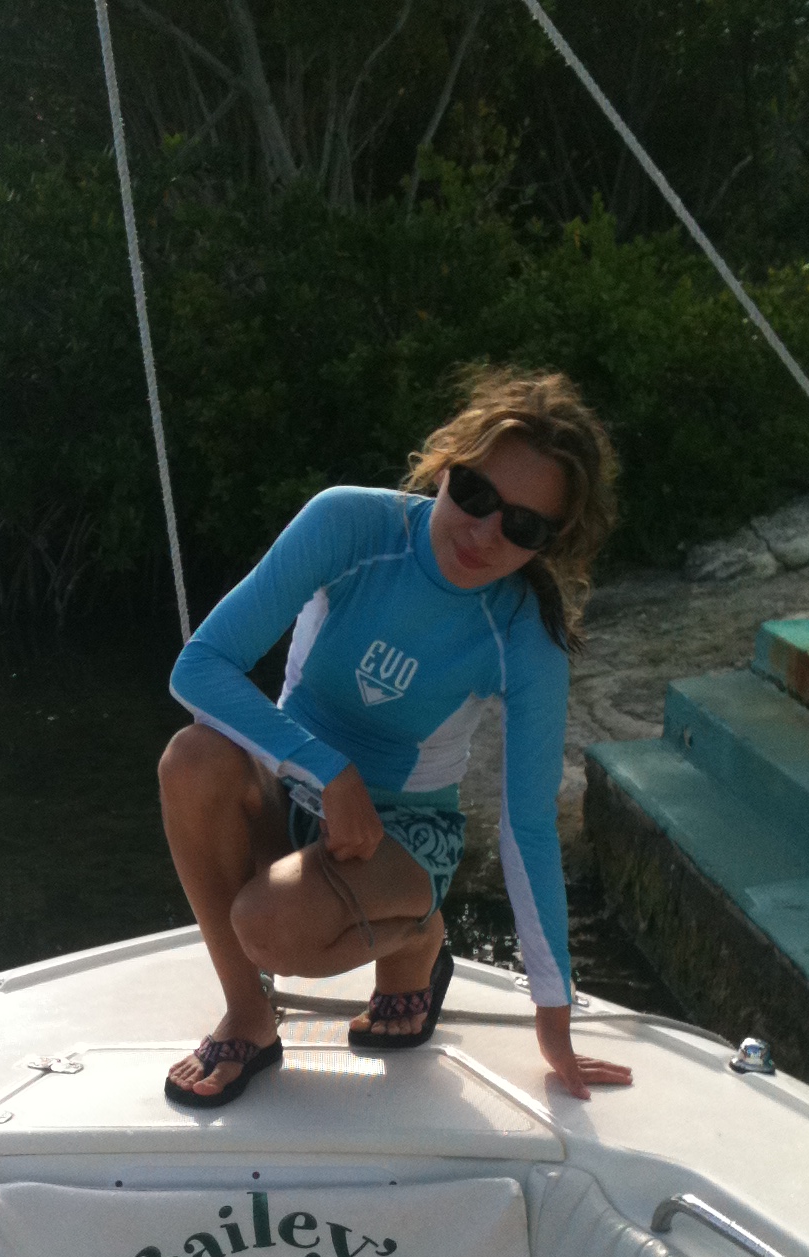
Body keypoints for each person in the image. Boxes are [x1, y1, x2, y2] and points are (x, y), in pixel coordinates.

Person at [158, 365, 633, 1107]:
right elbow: (200, 668)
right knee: (191, 757)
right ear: (446, 467)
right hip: (296, 788)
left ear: (550, 542)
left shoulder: (523, 637)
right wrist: (329, 771)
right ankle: (249, 1015)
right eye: (475, 494)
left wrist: (553, 1016)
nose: (485, 532)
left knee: (268, 926)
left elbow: (529, 826)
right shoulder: (351, 526)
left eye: (523, 527)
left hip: (406, 834)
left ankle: (418, 936)